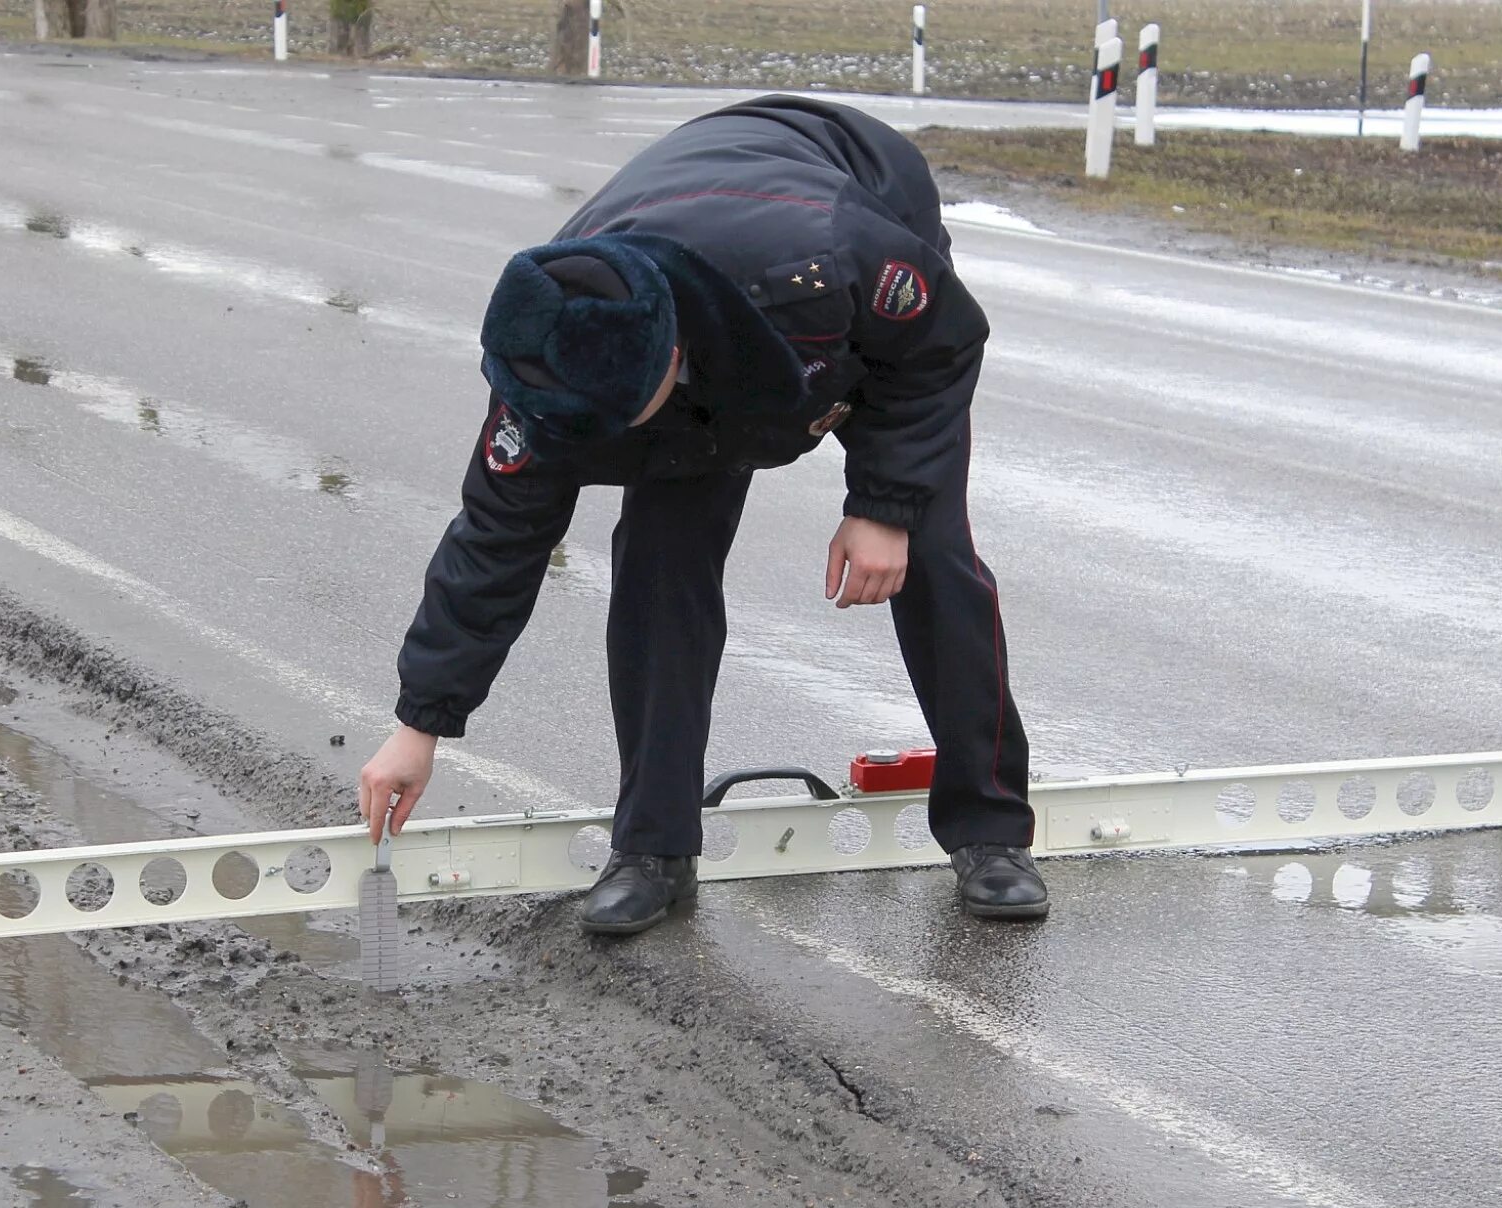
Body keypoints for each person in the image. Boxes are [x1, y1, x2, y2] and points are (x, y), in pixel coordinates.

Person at [358, 94, 1047, 937]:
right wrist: (417, 726)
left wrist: (883, 506)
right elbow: (492, 545)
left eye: (610, 424)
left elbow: (941, 343)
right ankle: (652, 848)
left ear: (670, 360)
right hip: (689, 253)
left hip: (845, 222)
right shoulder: (546, 369)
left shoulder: (827, 262)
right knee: (658, 561)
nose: (584, 442)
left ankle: (991, 831)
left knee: (930, 556)